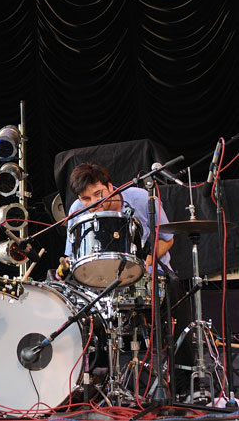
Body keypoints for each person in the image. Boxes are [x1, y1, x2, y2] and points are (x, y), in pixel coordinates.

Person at [59, 162, 194, 398]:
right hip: (99, 281)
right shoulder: (77, 209)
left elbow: (168, 238)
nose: (92, 204)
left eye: (98, 194)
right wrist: (66, 264)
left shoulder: (140, 198)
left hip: (147, 273)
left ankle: (184, 384)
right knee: (66, 301)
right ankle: (78, 382)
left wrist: (144, 263)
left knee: (175, 290)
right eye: (85, 199)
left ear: (110, 186)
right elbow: (73, 256)